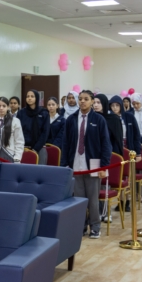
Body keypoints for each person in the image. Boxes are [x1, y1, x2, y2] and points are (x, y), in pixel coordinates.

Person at [60, 90, 112, 239]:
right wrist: (64, 164)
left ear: (92, 101)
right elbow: (65, 143)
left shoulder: (99, 119)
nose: (82, 101)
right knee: (78, 199)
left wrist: (104, 166)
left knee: (93, 200)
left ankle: (95, 227)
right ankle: (80, 226)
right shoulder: (71, 119)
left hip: (94, 164)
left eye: (86, 99)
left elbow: (106, 144)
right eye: (80, 99)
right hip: (75, 163)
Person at [0, 97, 25, 162]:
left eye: (4, 106)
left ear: (8, 107)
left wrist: (17, 158)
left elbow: (19, 141)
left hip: (10, 155)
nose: (1, 108)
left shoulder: (15, 121)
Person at [17, 89, 50, 164]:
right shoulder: (21, 113)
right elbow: (18, 131)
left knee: (40, 170)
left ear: (37, 98)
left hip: (39, 148)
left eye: (32, 96)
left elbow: (45, 132)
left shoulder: (44, 113)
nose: (29, 98)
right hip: (23, 148)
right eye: (28, 96)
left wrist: (35, 148)